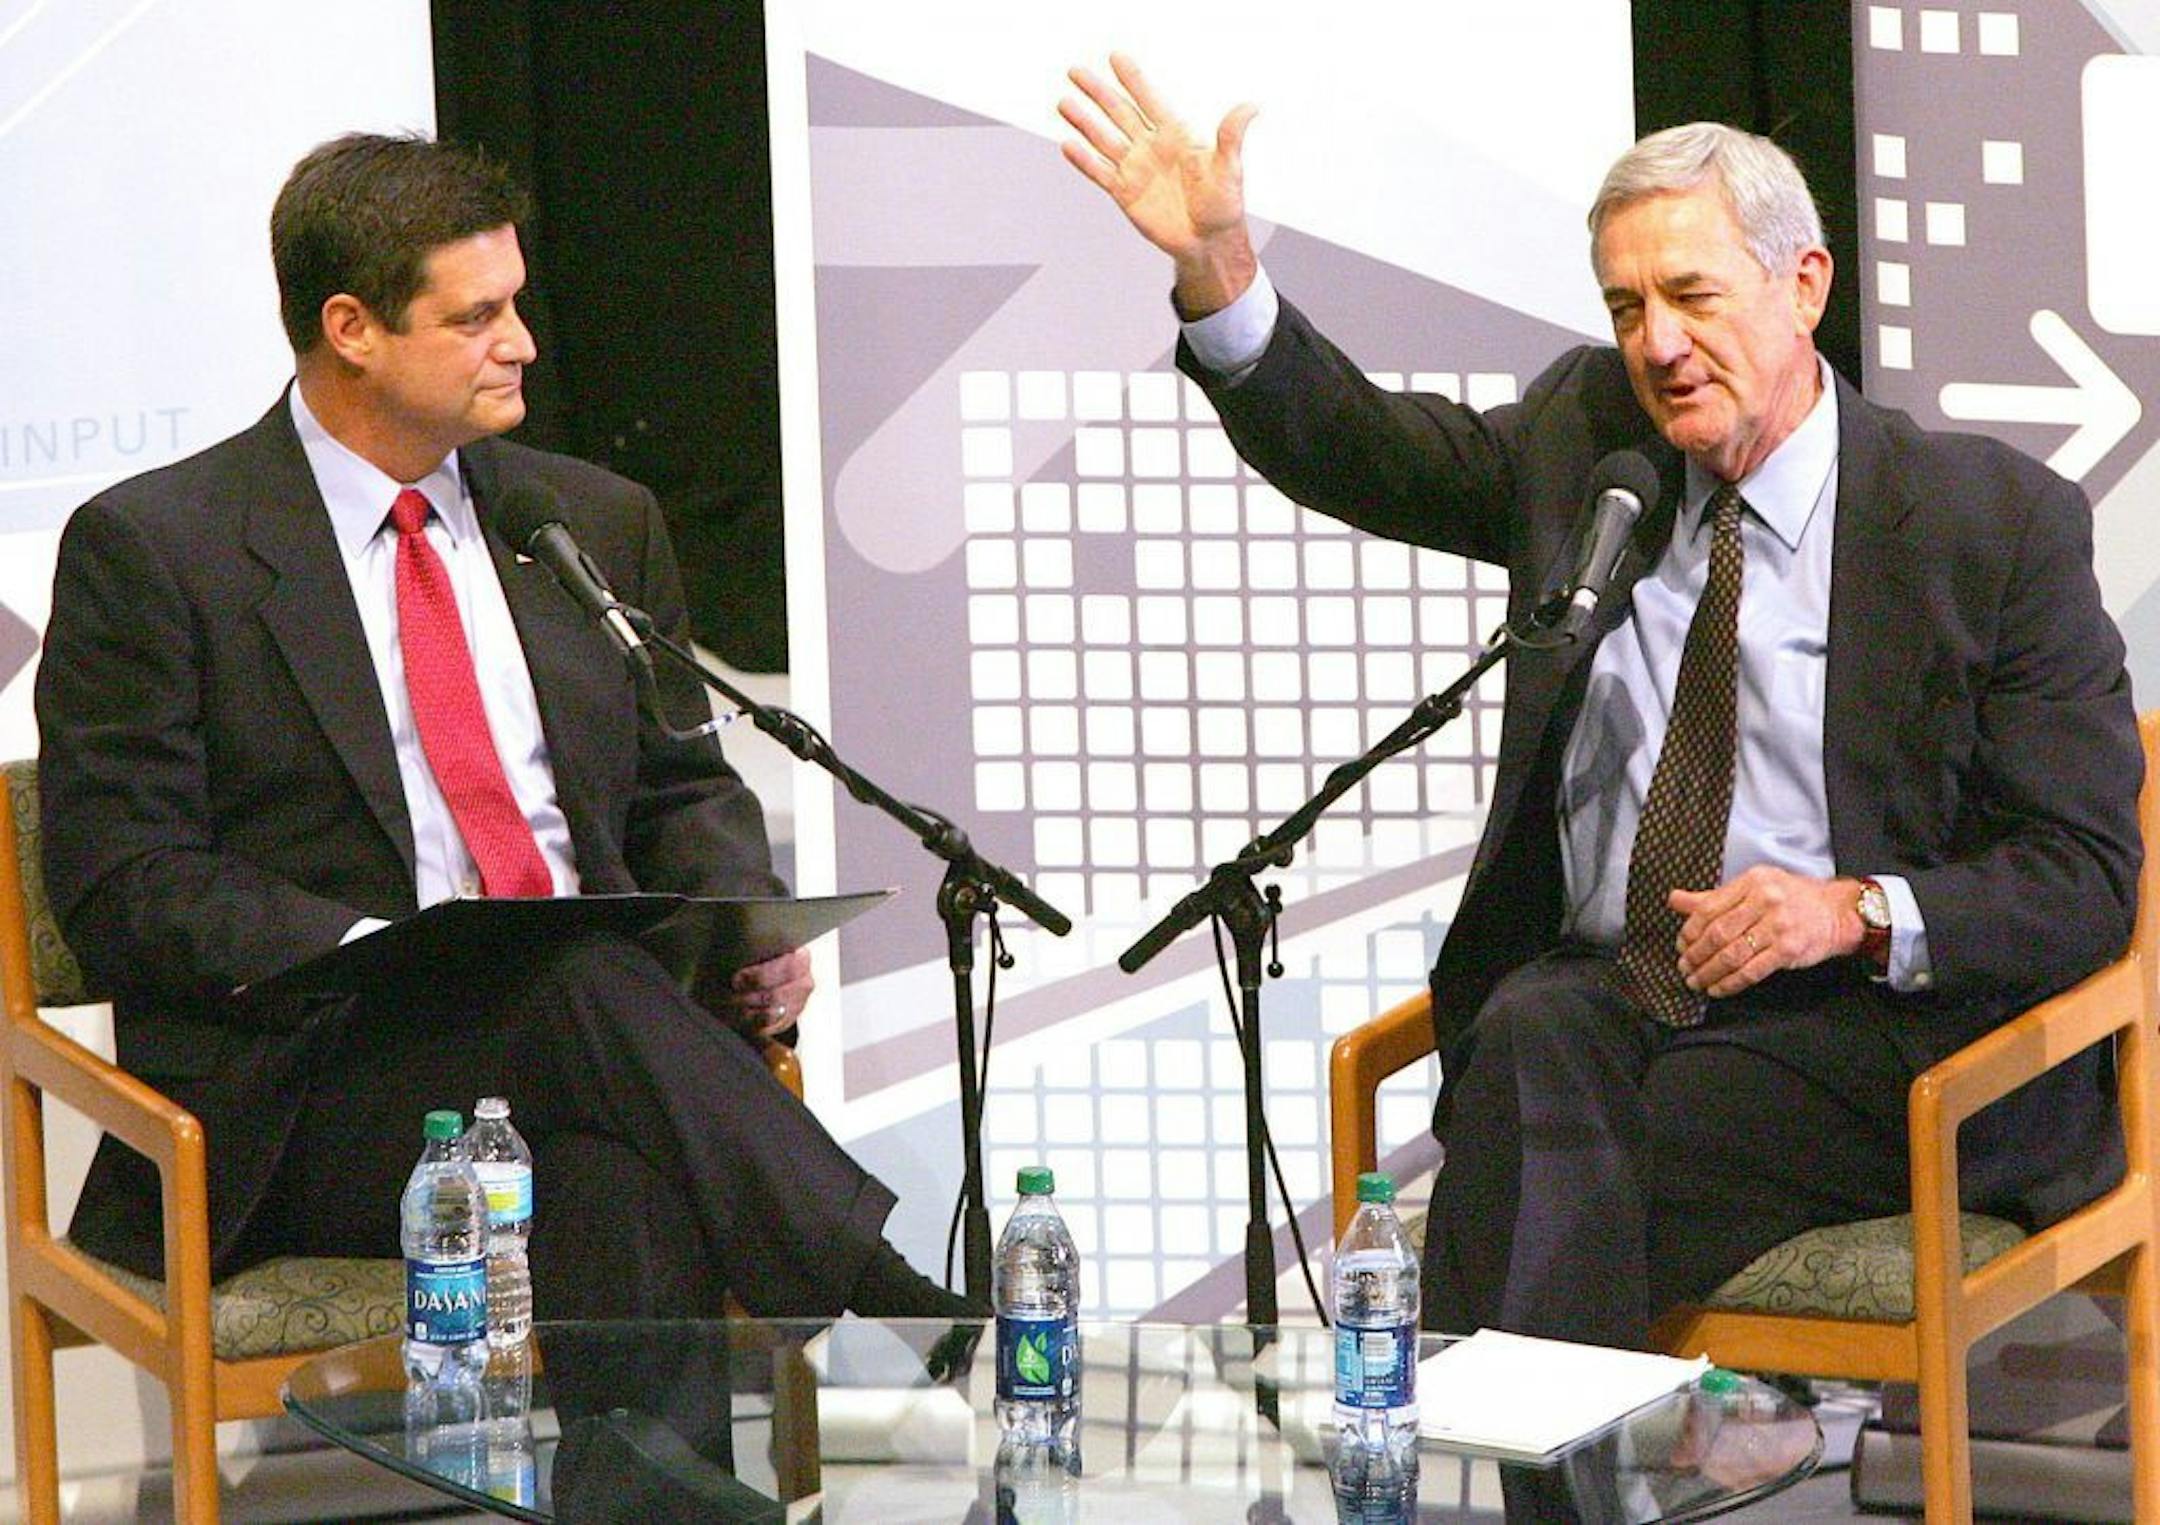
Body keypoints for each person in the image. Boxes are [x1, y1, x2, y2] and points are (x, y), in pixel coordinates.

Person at [1061, 56, 2141, 1346]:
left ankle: (1509, 1436)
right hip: (1613, 993)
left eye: (1691, 295)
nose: (1657, 345)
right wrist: (1221, 271)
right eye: (1627, 306)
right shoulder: (1591, 443)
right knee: (1527, 1035)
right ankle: (1633, 1444)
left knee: (1559, 1148)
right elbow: (1369, 453)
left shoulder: (1987, 523)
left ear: (1805, 286)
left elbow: (2082, 873)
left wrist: (1848, 910)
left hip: (1870, 1028)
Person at [37, 132, 972, 1322]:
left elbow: (681, 786)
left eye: (517, 304)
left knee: (616, 1166)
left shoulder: (586, 521)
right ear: (351, 328)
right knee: (576, 981)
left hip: (590, 1058)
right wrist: (391, 948)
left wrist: (744, 921)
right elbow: (126, 880)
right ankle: (880, 1283)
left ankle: (663, 1453)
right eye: (476, 317)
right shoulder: (161, 549)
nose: (522, 343)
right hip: (323, 1088)